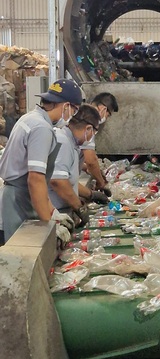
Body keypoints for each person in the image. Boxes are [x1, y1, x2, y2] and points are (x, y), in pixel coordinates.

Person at [0, 79, 83, 243]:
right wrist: (50, 226)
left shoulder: (31, 118)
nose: (72, 116)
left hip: (19, 196)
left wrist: (53, 212)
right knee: (20, 258)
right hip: (19, 202)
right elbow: (35, 179)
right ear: (66, 105)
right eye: (74, 110)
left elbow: (39, 181)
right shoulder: (41, 128)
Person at [49, 104, 103, 228]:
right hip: (52, 213)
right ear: (89, 129)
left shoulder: (71, 143)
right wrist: (78, 207)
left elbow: (68, 180)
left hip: (60, 210)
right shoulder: (62, 141)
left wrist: (90, 195)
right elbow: (58, 181)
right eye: (94, 132)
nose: (92, 137)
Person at [81, 93, 119, 193]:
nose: (106, 118)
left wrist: (87, 169)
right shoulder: (88, 122)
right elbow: (91, 160)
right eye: (108, 114)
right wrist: (101, 182)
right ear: (103, 109)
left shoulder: (81, 116)